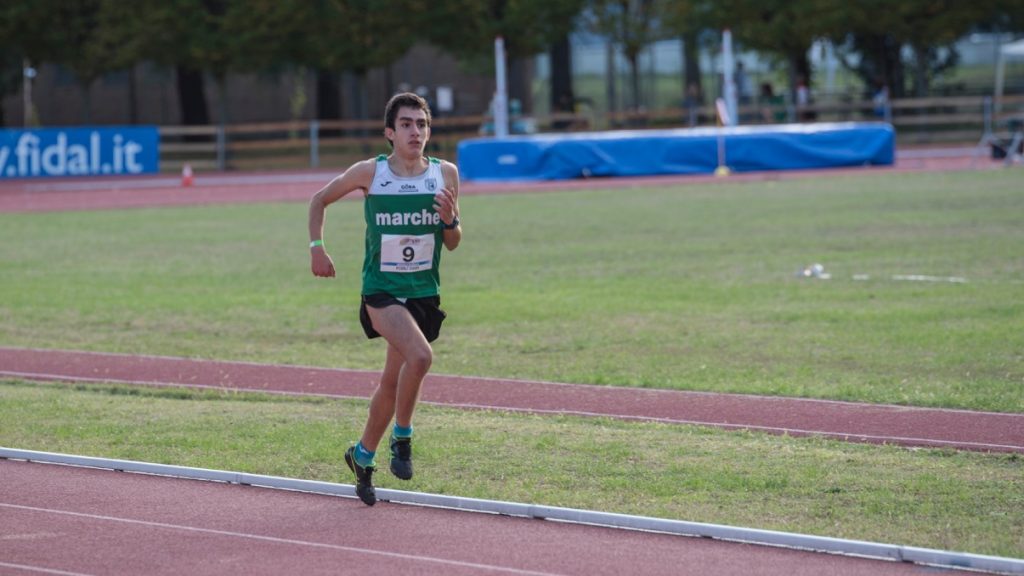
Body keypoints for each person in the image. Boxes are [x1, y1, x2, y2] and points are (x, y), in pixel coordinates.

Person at [308, 92, 462, 506]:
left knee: (391, 383)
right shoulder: (370, 173)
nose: (417, 131)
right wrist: (317, 247)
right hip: (382, 291)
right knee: (421, 357)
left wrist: (450, 221)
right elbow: (318, 200)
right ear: (390, 133)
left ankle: (361, 455)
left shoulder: (445, 174)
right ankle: (403, 438)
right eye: (408, 124)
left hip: (423, 293)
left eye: (423, 124)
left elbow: (453, 242)